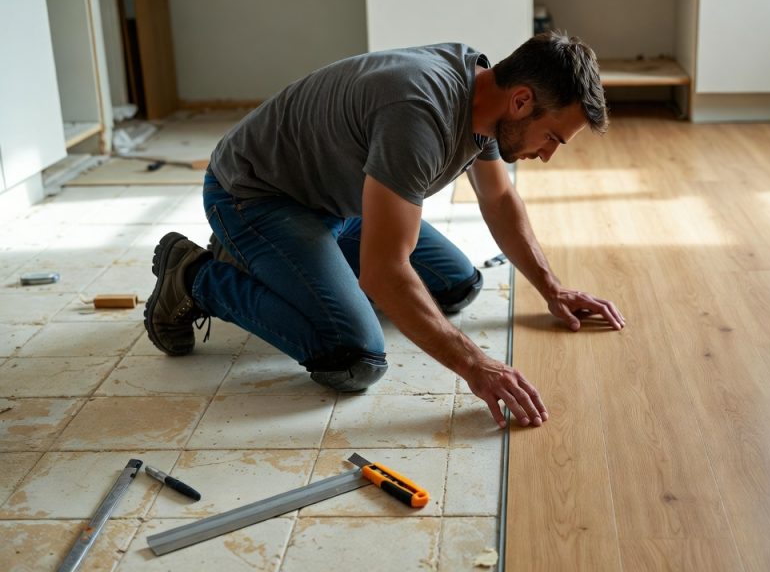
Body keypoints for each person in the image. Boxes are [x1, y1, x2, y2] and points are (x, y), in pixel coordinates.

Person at [143, 31, 626, 429]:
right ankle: (196, 276)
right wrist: (476, 365)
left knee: (457, 286)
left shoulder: (486, 96)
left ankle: (296, 262)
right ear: (522, 101)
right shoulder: (419, 115)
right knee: (353, 358)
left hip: (339, 199)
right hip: (254, 194)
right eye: (553, 138)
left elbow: (498, 199)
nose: (547, 154)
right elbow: (383, 273)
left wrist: (552, 288)